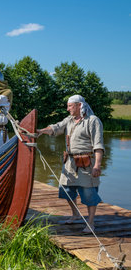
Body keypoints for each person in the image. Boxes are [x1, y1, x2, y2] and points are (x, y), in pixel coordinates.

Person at [37, 95, 104, 233]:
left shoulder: (92, 121)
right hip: (70, 163)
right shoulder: (69, 120)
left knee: (89, 194)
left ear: (79, 105)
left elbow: (98, 146)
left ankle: (90, 223)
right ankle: (76, 214)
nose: (67, 109)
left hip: (87, 163)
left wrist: (97, 165)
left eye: (70, 106)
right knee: (66, 191)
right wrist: (40, 131)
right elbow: (55, 128)